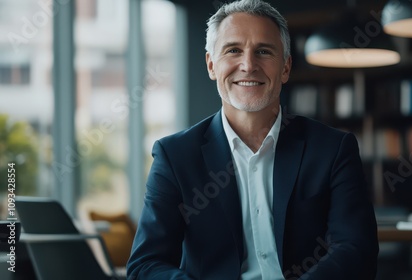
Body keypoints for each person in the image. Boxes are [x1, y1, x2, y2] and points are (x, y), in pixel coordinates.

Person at [126, 0, 378, 279]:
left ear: (285, 68)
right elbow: (146, 265)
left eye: (264, 52)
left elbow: (357, 250)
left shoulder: (333, 149)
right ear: (211, 65)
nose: (248, 65)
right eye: (233, 50)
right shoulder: (174, 156)